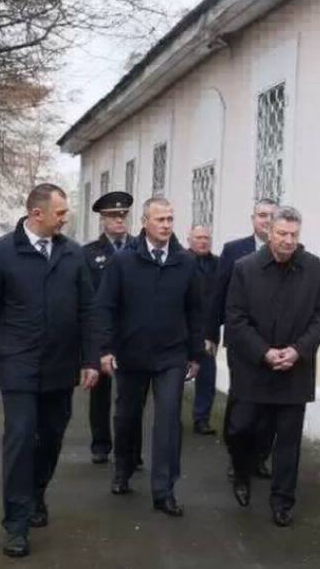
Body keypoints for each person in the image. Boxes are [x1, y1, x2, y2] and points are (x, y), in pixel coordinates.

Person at [0, 184, 99, 558]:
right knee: (21, 438)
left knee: (52, 435)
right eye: (60, 213)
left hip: (61, 365)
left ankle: (36, 492)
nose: (65, 219)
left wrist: (91, 360)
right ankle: (16, 523)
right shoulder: (0, 253)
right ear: (36, 214)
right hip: (18, 364)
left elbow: (89, 311)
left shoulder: (72, 253)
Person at [96, 197, 205, 517]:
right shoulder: (123, 262)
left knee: (169, 420)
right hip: (131, 354)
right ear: (144, 223)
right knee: (127, 416)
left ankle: (164, 490)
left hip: (171, 355)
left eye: (170, 219)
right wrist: (105, 348)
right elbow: (105, 307)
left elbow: (195, 310)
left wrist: (195, 354)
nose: (166, 225)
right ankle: (123, 468)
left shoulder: (185, 262)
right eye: (160, 219)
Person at [224, 206, 320, 527]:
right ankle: (241, 472)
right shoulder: (245, 268)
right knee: (241, 428)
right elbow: (235, 318)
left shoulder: (315, 269)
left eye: (294, 235)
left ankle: (282, 501)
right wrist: (264, 352)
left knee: (287, 440)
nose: (288, 240)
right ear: (269, 233)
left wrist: (298, 351)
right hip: (253, 368)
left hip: (294, 370)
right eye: (282, 234)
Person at [208, 198, 277, 479]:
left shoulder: (286, 252)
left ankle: (260, 456)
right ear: (253, 219)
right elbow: (219, 294)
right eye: (262, 215)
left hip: (274, 343)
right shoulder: (234, 250)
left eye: (272, 215)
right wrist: (211, 333)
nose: (267, 220)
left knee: (269, 404)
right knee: (241, 400)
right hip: (240, 342)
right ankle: (236, 456)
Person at [80, 190, 137, 465]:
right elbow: (86, 296)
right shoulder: (89, 253)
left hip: (133, 330)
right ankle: (100, 443)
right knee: (100, 391)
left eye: (123, 215)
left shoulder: (139, 248)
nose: (119, 220)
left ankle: (131, 449)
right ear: (102, 219)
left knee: (132, 394)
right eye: (113, 216)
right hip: (102, 331)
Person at [186, 225, 219, 436]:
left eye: (206, 238)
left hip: (208, 333)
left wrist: (210, 335)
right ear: (189, 240)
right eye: (198, 237)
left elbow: (218, 303)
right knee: (176, 378)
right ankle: (170, 418)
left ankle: (201, 419)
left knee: (207, 379)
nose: (203, 241)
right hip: (182, 332)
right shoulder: (180, 261)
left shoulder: (219, 264)